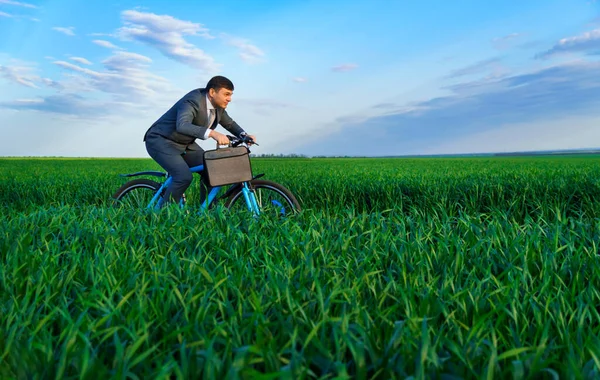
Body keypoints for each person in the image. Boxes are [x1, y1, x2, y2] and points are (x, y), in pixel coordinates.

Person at [143, 75, 256, 207]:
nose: (229, 99)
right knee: (183, 177)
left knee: (212, 171)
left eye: (231, 95)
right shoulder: (192, 101)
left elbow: (229, 124)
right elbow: (182, 125)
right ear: (212, 92)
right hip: (161, 141)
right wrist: (212, 133)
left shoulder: (218, 107)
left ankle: (207, 212)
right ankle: (162, 216)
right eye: (226, 94)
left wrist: (244, 135)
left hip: (185, 144)